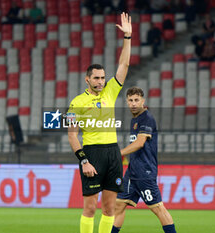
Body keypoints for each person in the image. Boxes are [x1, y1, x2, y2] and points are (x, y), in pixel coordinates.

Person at [67, 12, 131, 233]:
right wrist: (84, 161)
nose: (101, 81)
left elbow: (123, 65)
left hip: (113, 152)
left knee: (109, 208)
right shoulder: (77, 102)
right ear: (87, 79)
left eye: (103, 77)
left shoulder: (110, 92)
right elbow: (72, 135)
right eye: (96, 78)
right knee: (90, 207)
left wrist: (128, 38)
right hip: (92, 153)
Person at [111, 87, 177, 233]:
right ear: (127, 102)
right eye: (130, 100)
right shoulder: (134, 120)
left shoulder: (147, 118)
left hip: (144, 173)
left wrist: (119, 153)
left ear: (143, 101)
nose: (133, 103)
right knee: (118, 206)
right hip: (132, 172)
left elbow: (139, 143)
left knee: (158, 209)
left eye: (136, 100)